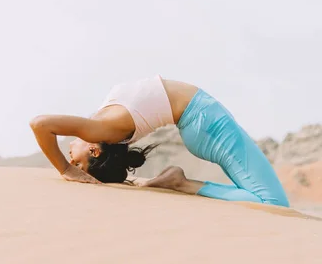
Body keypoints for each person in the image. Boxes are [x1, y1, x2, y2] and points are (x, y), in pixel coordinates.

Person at [30, 75, 289, 207]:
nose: (73, 161)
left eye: (74, 163)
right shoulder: (100, 128)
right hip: (206, 122)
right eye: (80, 164)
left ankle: (178, 182)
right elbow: (40, 124)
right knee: (273, 203)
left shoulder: (101, 121)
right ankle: (182, 183)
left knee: (262, 193)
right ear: (94, 150)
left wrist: (70, 169)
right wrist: (65, 170)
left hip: (204, 119)